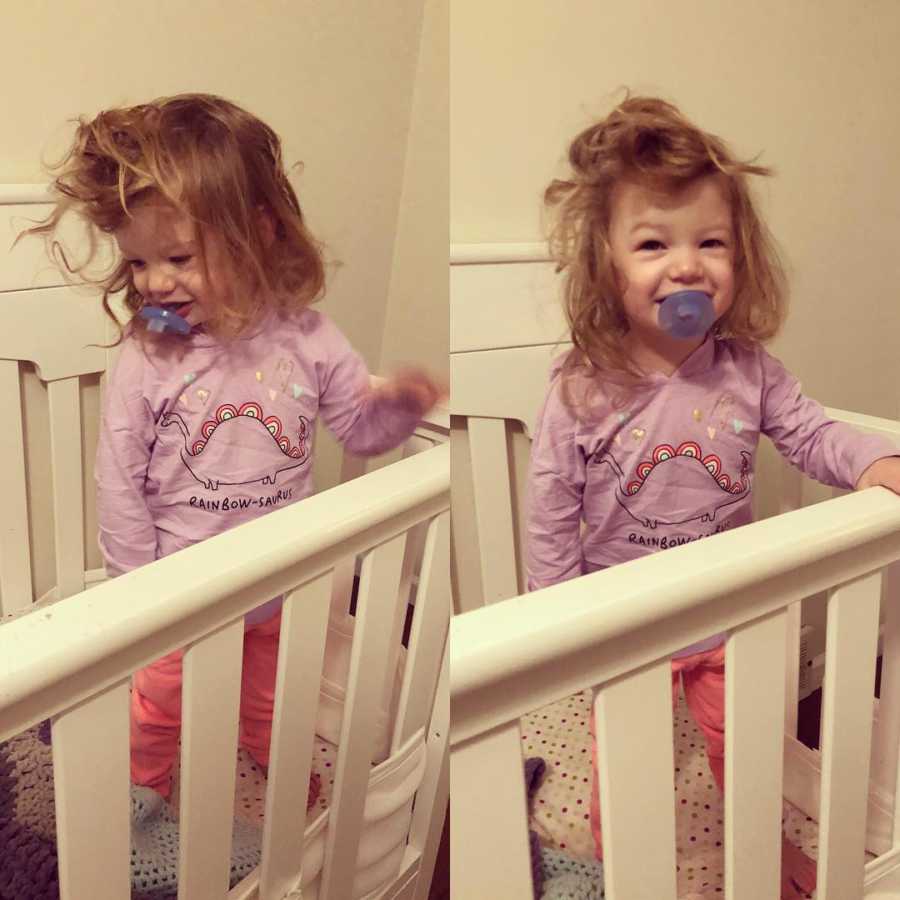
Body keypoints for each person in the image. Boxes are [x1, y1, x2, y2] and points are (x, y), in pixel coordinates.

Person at [26, 92, 444, 890]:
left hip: (278, 587)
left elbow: (357, 429)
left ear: (259, 232)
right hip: (181, 591)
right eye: (139, 262)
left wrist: (401, 405)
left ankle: (277, 773)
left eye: (178, 258)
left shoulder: (309, 338)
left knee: (272, 698)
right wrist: (139, 595)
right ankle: (138, 799)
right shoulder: (149, 359)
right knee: (155, 707)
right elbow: (119, 478)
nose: (155, 282)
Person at [526, 95, 900, 900]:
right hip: (625, 615)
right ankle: (616, 862)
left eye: (711, 243)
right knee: (621, 756)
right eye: (654, 243)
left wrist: (874, 460)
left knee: (747, 743)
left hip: (728, 615)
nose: (687, 264)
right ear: (607, 262)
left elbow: (810, 433)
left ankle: (761, 850)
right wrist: (554, 616)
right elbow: (552, 503)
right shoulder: (584, 388)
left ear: (740, 259)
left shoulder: (748, 372)